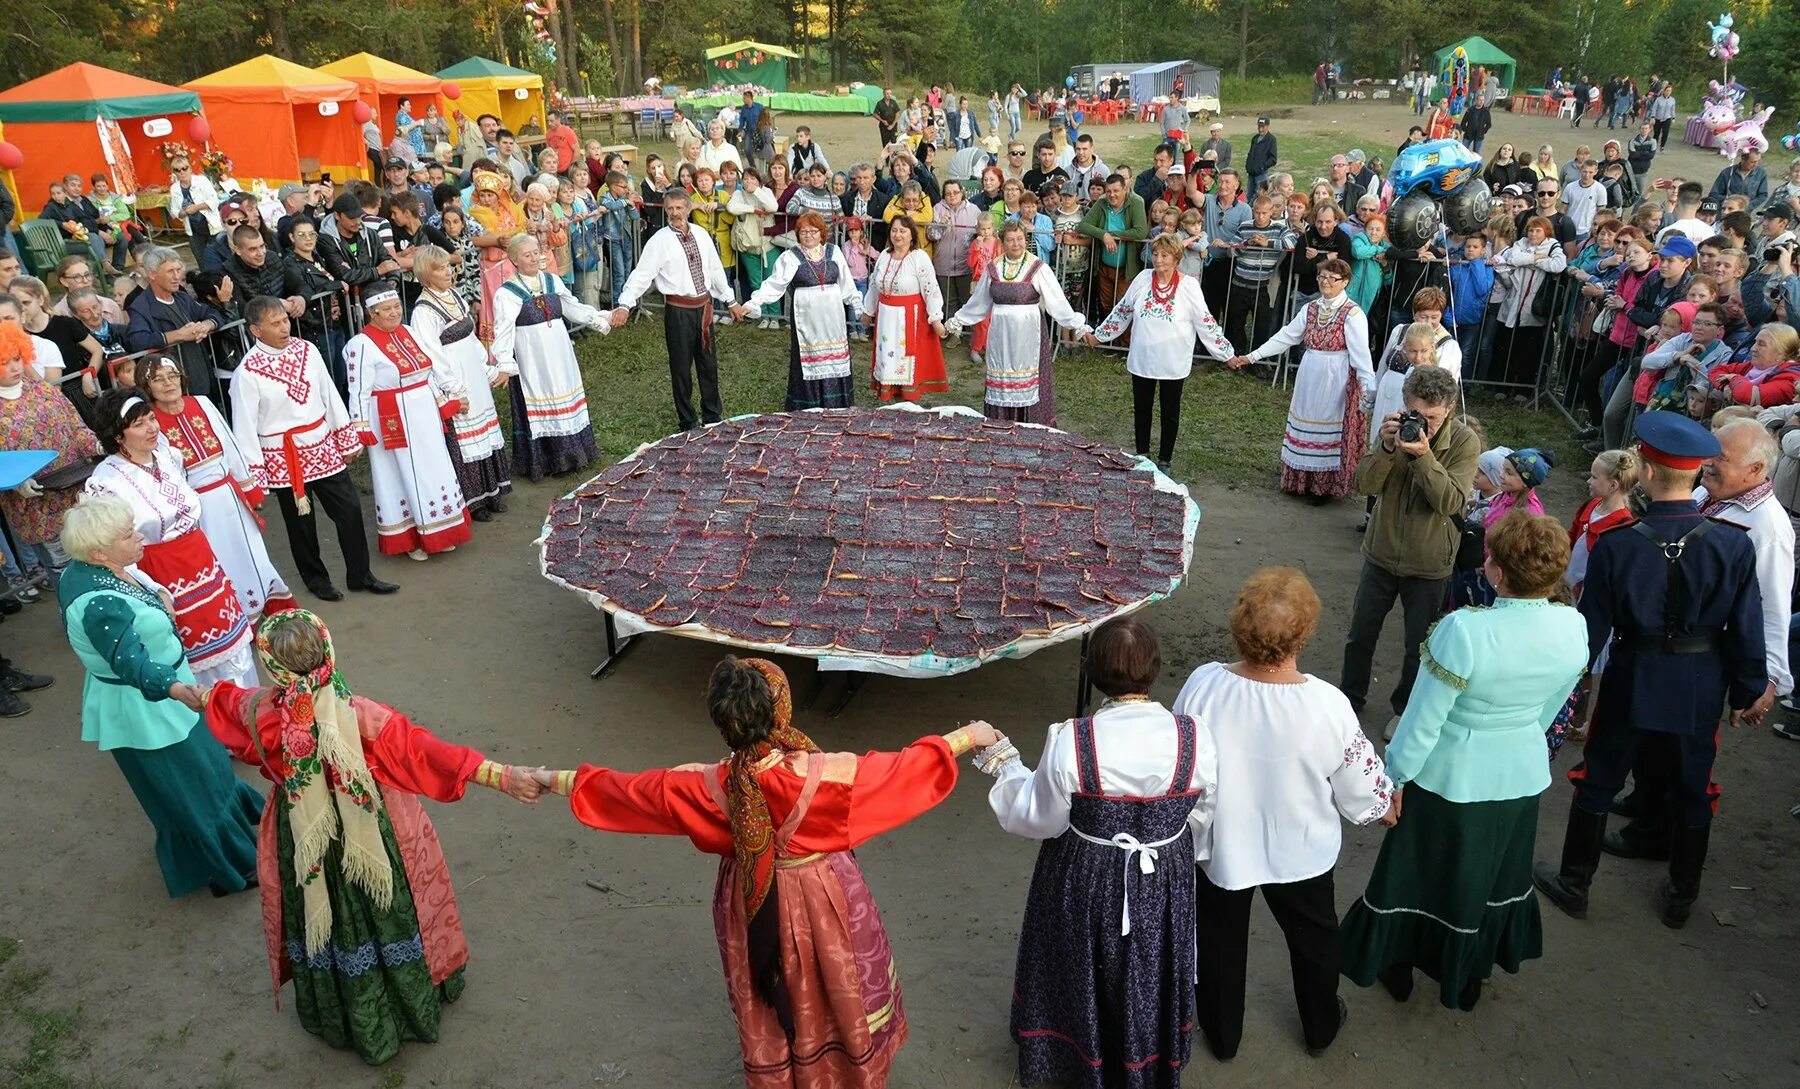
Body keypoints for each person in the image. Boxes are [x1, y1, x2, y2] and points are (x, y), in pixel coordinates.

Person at [538, 656, 997, 1089]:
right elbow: (902, 769)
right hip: (823, 896)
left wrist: (541, 779)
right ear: (780, 709)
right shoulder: (825, 775)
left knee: (763, 993)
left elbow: (627, 792)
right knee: (834, 984)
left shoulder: (705, 786)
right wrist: (969, 736)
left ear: (725, 722)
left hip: (747, 902)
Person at [202, 610, 546, 1064]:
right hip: (372, 835)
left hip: (303, 834)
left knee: (321, 917)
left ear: (272, 668)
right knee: (389, 910)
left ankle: (346, 1014)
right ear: (327, 652)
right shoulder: (363, 716)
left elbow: (210, 698)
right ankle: (409, 1005)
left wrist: (167, 684)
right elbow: (432, 754)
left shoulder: (257, 713)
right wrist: (507, 776)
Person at [1341, 510, 1588, 1010]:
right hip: (1518, 773)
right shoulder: (1573, 624)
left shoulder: (1465, 630)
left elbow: (1423, 718)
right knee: (1492, 873)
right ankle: (1469, 971)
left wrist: (1394, 778)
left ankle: (1399, 965)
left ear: (1496, 571)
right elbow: (1555, 704)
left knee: (1417, 874)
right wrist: (1516, 739)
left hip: (1448, 775)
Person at [1535, 413, 1766, 928]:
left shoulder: (1618, 544)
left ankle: (1576, 883)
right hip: (1701, 682)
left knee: (1598, 779)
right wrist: (1750, 690)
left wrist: (1561, 681)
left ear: (1646, 472)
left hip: (1633, 676)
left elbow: (1589, 633)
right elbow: (1746, 627)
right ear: (1693, 474)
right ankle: (1681, 897)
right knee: (1692, 785)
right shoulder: (1732, 544)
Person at [975, 616, 1214, 1087]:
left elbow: (1036, 817)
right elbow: (1202, 814)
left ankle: (1082, 1056)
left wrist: (1003, 759)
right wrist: (1182, 858)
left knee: (1081, 963)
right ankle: (1147, 1057)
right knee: (1151, 962)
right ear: (1154, 669)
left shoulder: (1073, 740)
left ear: (1093, 672)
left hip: (1085, 874)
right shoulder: (1194, 737)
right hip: (1165, 873)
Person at [1172, 569, 1392, 1058]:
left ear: (1238, 628)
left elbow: (1181, 757)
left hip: (1222, 844)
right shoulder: (1327, 704)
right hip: (1302, 848)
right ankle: (1320, 1025)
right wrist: (1382, 802)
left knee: (1219, 941)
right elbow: (1358, 780)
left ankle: (1223, 1035)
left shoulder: (1203, 685)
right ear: (1305, 634)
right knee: (1315, 938)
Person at [57, 494, 264, 897]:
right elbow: (131, 663)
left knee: (205, 770)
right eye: (127, 534)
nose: (138, 536)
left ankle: (230, 839)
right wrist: (175, 688)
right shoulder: (100, 603)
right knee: (191, 788)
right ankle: (224, 868)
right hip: (148, 705)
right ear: (100, 551)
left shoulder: (87, 570)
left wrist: (159, 598)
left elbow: (133, 589)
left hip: (162, 692)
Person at [82, 387, 258, 687]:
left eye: (151, 418)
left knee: (232, 647)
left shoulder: (168, 455)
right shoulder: (105, 482)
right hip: (159, 573)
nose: (152, 428)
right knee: (190, 658)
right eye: (138, 424)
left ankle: (245, 709)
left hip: (201, 561)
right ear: (117, 436)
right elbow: (113, 548)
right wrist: (152, 589)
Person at [1339, 366, 1480, 735]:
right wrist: (1386, 448)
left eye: (1432, 417)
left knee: (1418, 646)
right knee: (1360, 634)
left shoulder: (1464, 443)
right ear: (1405, 405)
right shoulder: (1395, 429)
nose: (1423, 424)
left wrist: (1423, 456)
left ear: (1450, 408)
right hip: (1381, 552)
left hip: (1429, 562)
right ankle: (1348, 701)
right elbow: (1364, 484)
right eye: (1417, 413)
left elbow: (1450, 500)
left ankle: (1405, 709)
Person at [230, 297, 397, 601]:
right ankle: (316, 580)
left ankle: (361, 574)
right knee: (301, 526)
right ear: (255, 329)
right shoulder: (248, 372)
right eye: (275, 323)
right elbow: (244, 428)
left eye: (285, 319)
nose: (285, 327)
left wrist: (344, 436)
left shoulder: (306, 350)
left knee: (349, 510)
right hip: (283, 456)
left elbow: (328, 393)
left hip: (321, 445)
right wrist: (254, 476)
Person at [138, 355, 294, 620]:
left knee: (253, 553)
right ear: (147, 386)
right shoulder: (152, 422)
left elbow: (230, 445)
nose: (167, 383)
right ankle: (242, 617)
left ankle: (276, 608)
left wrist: (250, 488)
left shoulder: (202, 403)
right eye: (158, 379)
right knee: (220, 560)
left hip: (230, 496)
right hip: (198, 507)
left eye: (172, 375)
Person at [341, 284, 473, 558]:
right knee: (401, 474)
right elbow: (358, 390)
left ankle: (439, 527)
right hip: (393, 417)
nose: (394, 313)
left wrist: (444, 403)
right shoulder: (361, 344)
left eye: (397, 307)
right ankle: (412, 537)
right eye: (386, 309)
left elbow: (427, 373)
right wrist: (360, 428)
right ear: (371, 312)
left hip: (423, 412)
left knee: (433, 468)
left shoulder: (409, 332)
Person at [1087, 232, 1235, 470]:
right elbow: (1122, 310)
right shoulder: (1143, 279)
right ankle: (1142, 454)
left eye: (1165, 255)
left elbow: (1205, 322)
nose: (1158, 259)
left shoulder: (1189, 286)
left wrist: (1226, 353)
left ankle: (1165, 459)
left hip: (1173, 359)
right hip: (1143, 357)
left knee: (1170, 411)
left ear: (1176, 258)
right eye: (1155, 254)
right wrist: (1099, 336)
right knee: (1142, 407)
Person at [1234, 258, 1374, 499]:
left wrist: (1368, 387)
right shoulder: (1310, 308)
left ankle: (1323, 487)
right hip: (1310, 373)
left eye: (1332, 278)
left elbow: (1361, 356)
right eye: (1322, 277)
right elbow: (1286, 336)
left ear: (1345, 283)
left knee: (1328, 424)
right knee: (1306, 419)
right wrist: (1252, 357)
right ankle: (1300, 480)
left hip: (1336, 377)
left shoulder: (1353, 313)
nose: (1326, 282)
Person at [945, 218, 1091, 425]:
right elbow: (978, 303)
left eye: (1020, 239)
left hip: (1028, 333)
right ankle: (1000, 420)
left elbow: (1057, 302)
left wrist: (1078, 325)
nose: (1016, 244)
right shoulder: (993, 268)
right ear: (1002, 242)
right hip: (1001, 334)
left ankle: (1031, 421)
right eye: (1011, 240)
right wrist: (956, 321)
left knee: (1028, 378)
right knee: (1002, 376)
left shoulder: (1038, 267)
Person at [613, 187, 735, 432]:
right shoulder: (659, 241)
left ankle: (712, 416)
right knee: (681, 368)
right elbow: (641, 275)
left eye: (680, 208)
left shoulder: (702, 235)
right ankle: (688, 421)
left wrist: (731, 302)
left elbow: (714, 270)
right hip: (678, 312)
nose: (675, 213)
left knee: (708, 364)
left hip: (704, 309)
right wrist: (625, 304)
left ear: (689, 209)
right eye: (670, 209)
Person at [491, 235, 610, 480]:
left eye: (536, 252)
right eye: (527, 255)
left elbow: (571, 307)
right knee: (540, 397)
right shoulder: (507, 293)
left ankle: (575, 454)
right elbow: (502, 329)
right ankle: (546, 460)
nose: (534, 258)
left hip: (559, 350)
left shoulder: (552, 280)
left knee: (563, 391)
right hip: (531, 356)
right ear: (514, 259)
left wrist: (598, 318)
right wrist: (504, 361)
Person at [409, 246, 511, 521]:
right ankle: (473, 500)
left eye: (448, 266)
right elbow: (432, 355)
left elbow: (471, 337)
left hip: (473, 371)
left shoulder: (454, 295)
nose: (448, 272)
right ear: (426, 274)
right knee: (464, 437)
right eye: (441, 268)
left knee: (483, 427)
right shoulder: (423, 310)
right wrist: (453, 389)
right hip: (454, 377)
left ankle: (492, 491)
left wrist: (488, 369)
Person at [733, 212, 861, 411]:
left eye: (812, 231)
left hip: (833, 319)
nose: (808, 235)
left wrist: (859, 308)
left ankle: (838, 405)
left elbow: (847, 285)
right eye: (803, 231)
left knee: (835, 359)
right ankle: (809, 406)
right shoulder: (790, 256)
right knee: (809, 359)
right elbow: (774, 285)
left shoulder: (834, 252)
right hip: (807, 321)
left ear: (822, 233)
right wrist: (753, 303)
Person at [0, 322, 97, 578]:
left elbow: (76, 427)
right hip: (35, 507)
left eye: (17, 358)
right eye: (3, 362)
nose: (14, 367)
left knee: (97, 557)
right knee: (65, 571)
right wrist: (13, 483)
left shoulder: (42, 389)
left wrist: (100, 445)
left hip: (74, 489)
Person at [859, 215, 947, 403]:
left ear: (912, 235)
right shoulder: (884, 255)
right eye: (894, 230)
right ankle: (890, 393)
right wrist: (868, 311)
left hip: (909, 319)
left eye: (902, 231)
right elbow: (875, 284)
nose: (897, 235)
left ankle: (908, 397)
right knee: (887, 357)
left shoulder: (919, 258)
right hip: (885, 319)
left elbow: (930, 288)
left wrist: (936, 318)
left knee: (905, 360)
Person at [126, 246, 227, 403]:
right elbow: (137, 340)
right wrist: (179, 335)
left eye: (178, 270)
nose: (176, 277)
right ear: (152, 274)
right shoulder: (140, 306)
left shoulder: (182, 298)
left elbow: (213, 313)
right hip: (173, 384)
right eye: (169, 271)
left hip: (201, 373)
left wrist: (207, 325)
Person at [467, 170, 526, 343]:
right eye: (483, 195)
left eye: (490, 195)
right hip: (490, 268)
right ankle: (496, 349)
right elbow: (476, 238)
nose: (486, 199)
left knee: (514, 302)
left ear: (498, 195)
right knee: (494, 306)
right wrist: (497, 239)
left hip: (510, 264)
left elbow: (519, 229)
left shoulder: (507, 211)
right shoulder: (474, 215)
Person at [1079, 175, 1149, 320]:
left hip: (1126, 269)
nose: (1112, 195)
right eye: (1108, 191)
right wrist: (1103, 234)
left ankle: (1123, 343)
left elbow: (1140, 231)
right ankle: (1107, 340)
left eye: (1116, 191)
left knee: (1123, 306)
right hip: (1105, 267)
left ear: (1125, 189)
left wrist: (1113, 235)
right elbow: (1083, 225)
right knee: (1106, 305)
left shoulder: (1136, 202)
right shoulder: (1102, 202)